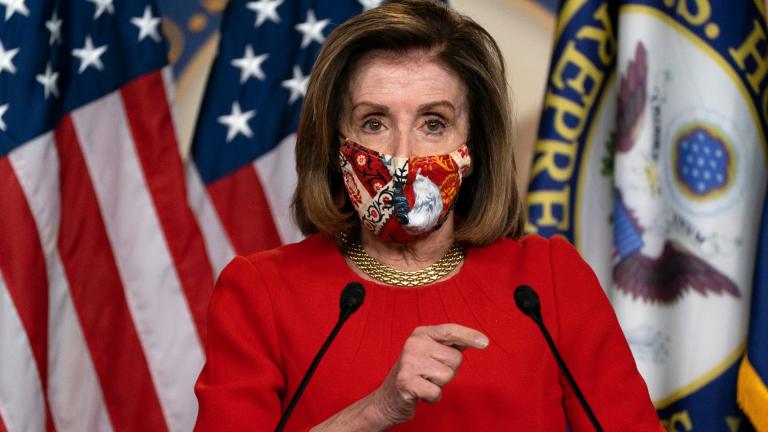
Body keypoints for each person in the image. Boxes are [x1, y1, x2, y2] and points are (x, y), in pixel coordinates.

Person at [194, 1, 663, 430]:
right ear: (335, 143)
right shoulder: (260, 293)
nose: (402, 154)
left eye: (433, 123)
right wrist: (374, 411)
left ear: (473, 146)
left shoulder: (547, 282)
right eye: (373, 122)